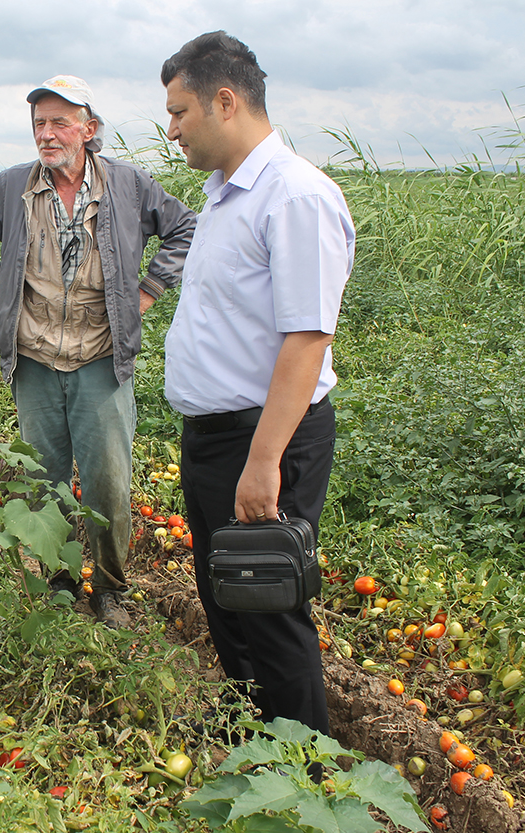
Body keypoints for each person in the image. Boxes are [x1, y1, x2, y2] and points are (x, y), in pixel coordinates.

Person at [160, 32, 355, 732]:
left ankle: (303, 763)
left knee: (270, 604)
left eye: (180, 112)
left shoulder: (295, 195)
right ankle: (251, 729)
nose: (173, 129)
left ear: (225, 99)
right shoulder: (224, 195)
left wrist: (264, 460)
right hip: (216, 435)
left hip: (263, 436)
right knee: (228, 596)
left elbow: (306, 340)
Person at [0, 75, 197, 628]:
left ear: (88, 130)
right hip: (35, 358)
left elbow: (184, 228)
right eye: (39, 123)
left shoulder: (129, 185)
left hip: (100, 357)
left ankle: (111, 588)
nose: (47, 134)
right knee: (45, 478)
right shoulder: (14, 187)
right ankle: (59, 577)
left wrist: (146, 292)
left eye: (59, 122)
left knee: (109, 480)